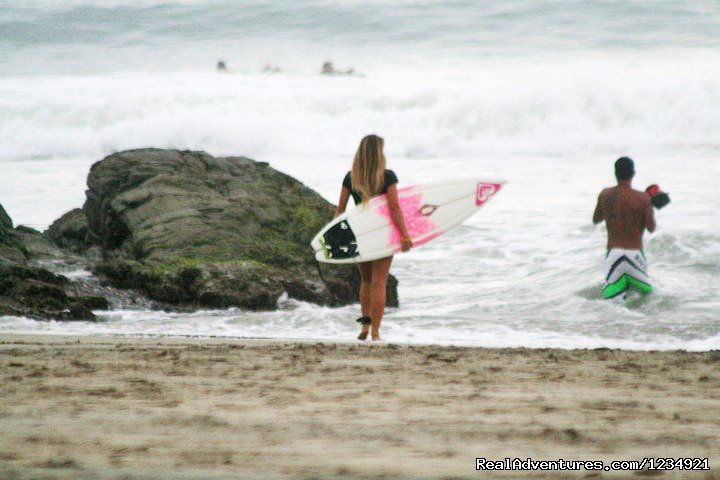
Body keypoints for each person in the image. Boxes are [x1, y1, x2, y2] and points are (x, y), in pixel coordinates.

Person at [335, 135, 412, 341]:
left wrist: (337, 237)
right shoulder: (388, 177)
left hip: (360, 234)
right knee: (379, 282)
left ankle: (365, 328)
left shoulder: (351, 178)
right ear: (379, 153)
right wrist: (405, 235)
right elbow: (395, 208)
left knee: (366, 281)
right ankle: (376, 333)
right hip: (383, 234)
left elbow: (340, 211)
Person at [593, 157, 656, 301]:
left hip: (613, 253)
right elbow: (651, 228)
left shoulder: (605, 195)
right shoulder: (643, 198)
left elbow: (596, 219)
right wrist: (650, 205)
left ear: (615, 173)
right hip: (635, 254)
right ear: (633, 173)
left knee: (611, 299)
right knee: (647, 297)